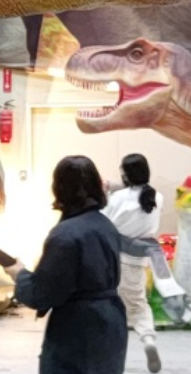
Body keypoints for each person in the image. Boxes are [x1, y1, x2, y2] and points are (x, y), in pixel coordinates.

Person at [4, 155, 127, 374]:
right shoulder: (106, 225)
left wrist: (19, 274)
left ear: (59, 188)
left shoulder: (65, 235)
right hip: (111, 323)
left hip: (77, 329)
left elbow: (43, 293)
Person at [102, 154, 164, 373]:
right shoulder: (157, 197)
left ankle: (108, 352)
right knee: (138, 304)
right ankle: (148, 339)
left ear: (125, 174)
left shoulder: (117, 198)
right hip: (138, 259)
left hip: (113, 257)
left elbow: (102, 220)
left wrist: (107, 191)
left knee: (108, 304)